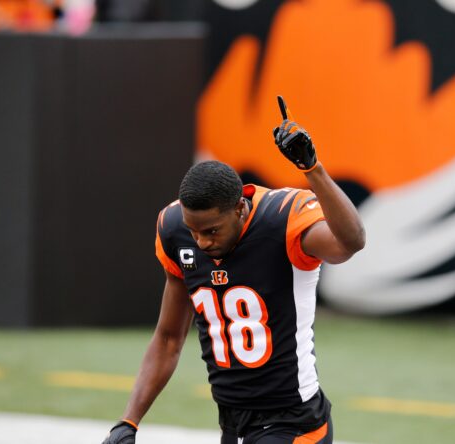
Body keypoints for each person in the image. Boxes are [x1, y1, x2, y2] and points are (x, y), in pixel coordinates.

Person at [102, 97, 365, 444]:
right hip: (233, 422)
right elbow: (168, 339)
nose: (202, 243)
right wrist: (129, 421)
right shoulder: (173, 229)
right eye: (194, 231)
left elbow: (351, 242)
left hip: (293, 420)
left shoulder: (282, 220)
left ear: (240, 209)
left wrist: (312, 168)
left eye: (212, 231)